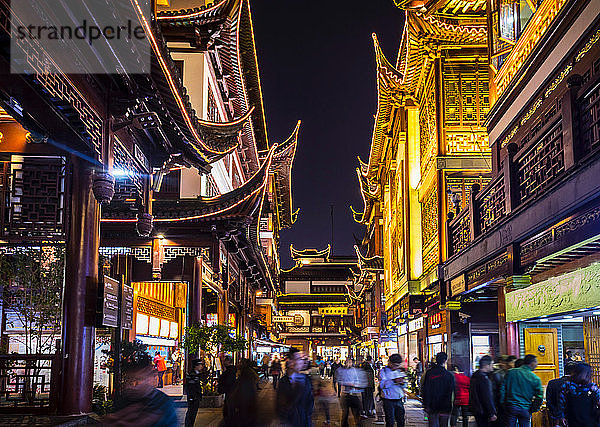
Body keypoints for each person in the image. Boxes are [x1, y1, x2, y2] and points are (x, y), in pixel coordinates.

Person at [103, 348, 177, 426]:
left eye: (140, 379)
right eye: (131, 379)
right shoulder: (125, 399)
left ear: (151, 376)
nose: (136, 385)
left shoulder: (162, 403)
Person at [500, 354, 543, 427]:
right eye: (536, 362)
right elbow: (539, 397)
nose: (536, 365)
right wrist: (533, 408)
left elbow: (503, 389)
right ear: (531, 363)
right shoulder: (535, 378)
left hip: (511, 407)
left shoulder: (510, 372)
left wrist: (503, 404)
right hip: (525, 408)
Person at [276, 348, 314, 427]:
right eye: (298, 359)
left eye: (301, 359)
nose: (302, 362)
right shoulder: (283, 382)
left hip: (304, 422)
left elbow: (310, 403)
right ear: (290, 363)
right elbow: (280, 406)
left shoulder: (306, 380)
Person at [559, 362, 600, 427]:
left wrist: (562, 417)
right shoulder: (593, 388)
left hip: (572, 420)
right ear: (588, 375)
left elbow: (561, 404)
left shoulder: (567, 386)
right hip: (591, 421)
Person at [421, 352, 455, 427]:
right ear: (445, 360)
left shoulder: (429, 373)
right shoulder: (449, 375)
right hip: (444, 407)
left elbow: (426, 389)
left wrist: (426, 404)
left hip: (432, 406)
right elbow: (451, 392)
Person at [225, 358, 259, 427]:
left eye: (240, 362)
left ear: (244, 364)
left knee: (244, 416)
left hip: (245, 397)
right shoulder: (245, 371)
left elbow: (255, 379)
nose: (238, 364)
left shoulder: (246, 372)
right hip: (247, 397)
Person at [337, 357, 368, 427]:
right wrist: (347, 383)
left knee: (357, 414)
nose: (348, 364)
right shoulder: (341, 370)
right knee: (345, 414)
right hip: (345, 394)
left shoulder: (355, 371)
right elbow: (339, 381)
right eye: (347, 362)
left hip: (354, 394)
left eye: (350, 362)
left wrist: (355, 384)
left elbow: (359, 382)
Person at [469, 355, 497, 427]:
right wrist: (491, 413)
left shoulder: (474, 376)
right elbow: (486, 397)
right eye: (491, 364)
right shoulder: (483, 379)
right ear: (486, 365)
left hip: (476, 409)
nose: (492, 366)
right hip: (483, 411)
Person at [379, 353, 406, 427]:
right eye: (395, 365)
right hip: (388, 400)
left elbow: (405, 385)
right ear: (390, 363)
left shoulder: (400, 371)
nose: (396, 367)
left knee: (401, 421)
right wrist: (393, 381)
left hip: (399, 400)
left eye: (398, 365)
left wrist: (403, 383)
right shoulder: (383, 371)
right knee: (390, 421)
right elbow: (382, 385)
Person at [545, 362, 574, 427]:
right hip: (572, 417)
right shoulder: (575, 384)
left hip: (556, 417)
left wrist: (554, 413)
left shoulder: (552, 383)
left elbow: (549, 400)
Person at [184, 359, 205, 427]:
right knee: (191, 414)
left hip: (196, 397)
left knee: (193, 414)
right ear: (196, 366)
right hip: (193, 398)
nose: (202, 366)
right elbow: (190, 387)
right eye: (200, 365)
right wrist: (192, 397)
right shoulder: (192, 375)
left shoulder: (197, 374)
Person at [218, 356, 237, 422]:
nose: (223, 362)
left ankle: (229, 421)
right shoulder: (231, 370)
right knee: (228, 406)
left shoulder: (230, 371)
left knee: (229, 407)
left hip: (229, 391)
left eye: (224, 361)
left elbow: (228, 382)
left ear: (228, 362)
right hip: (230, 391)